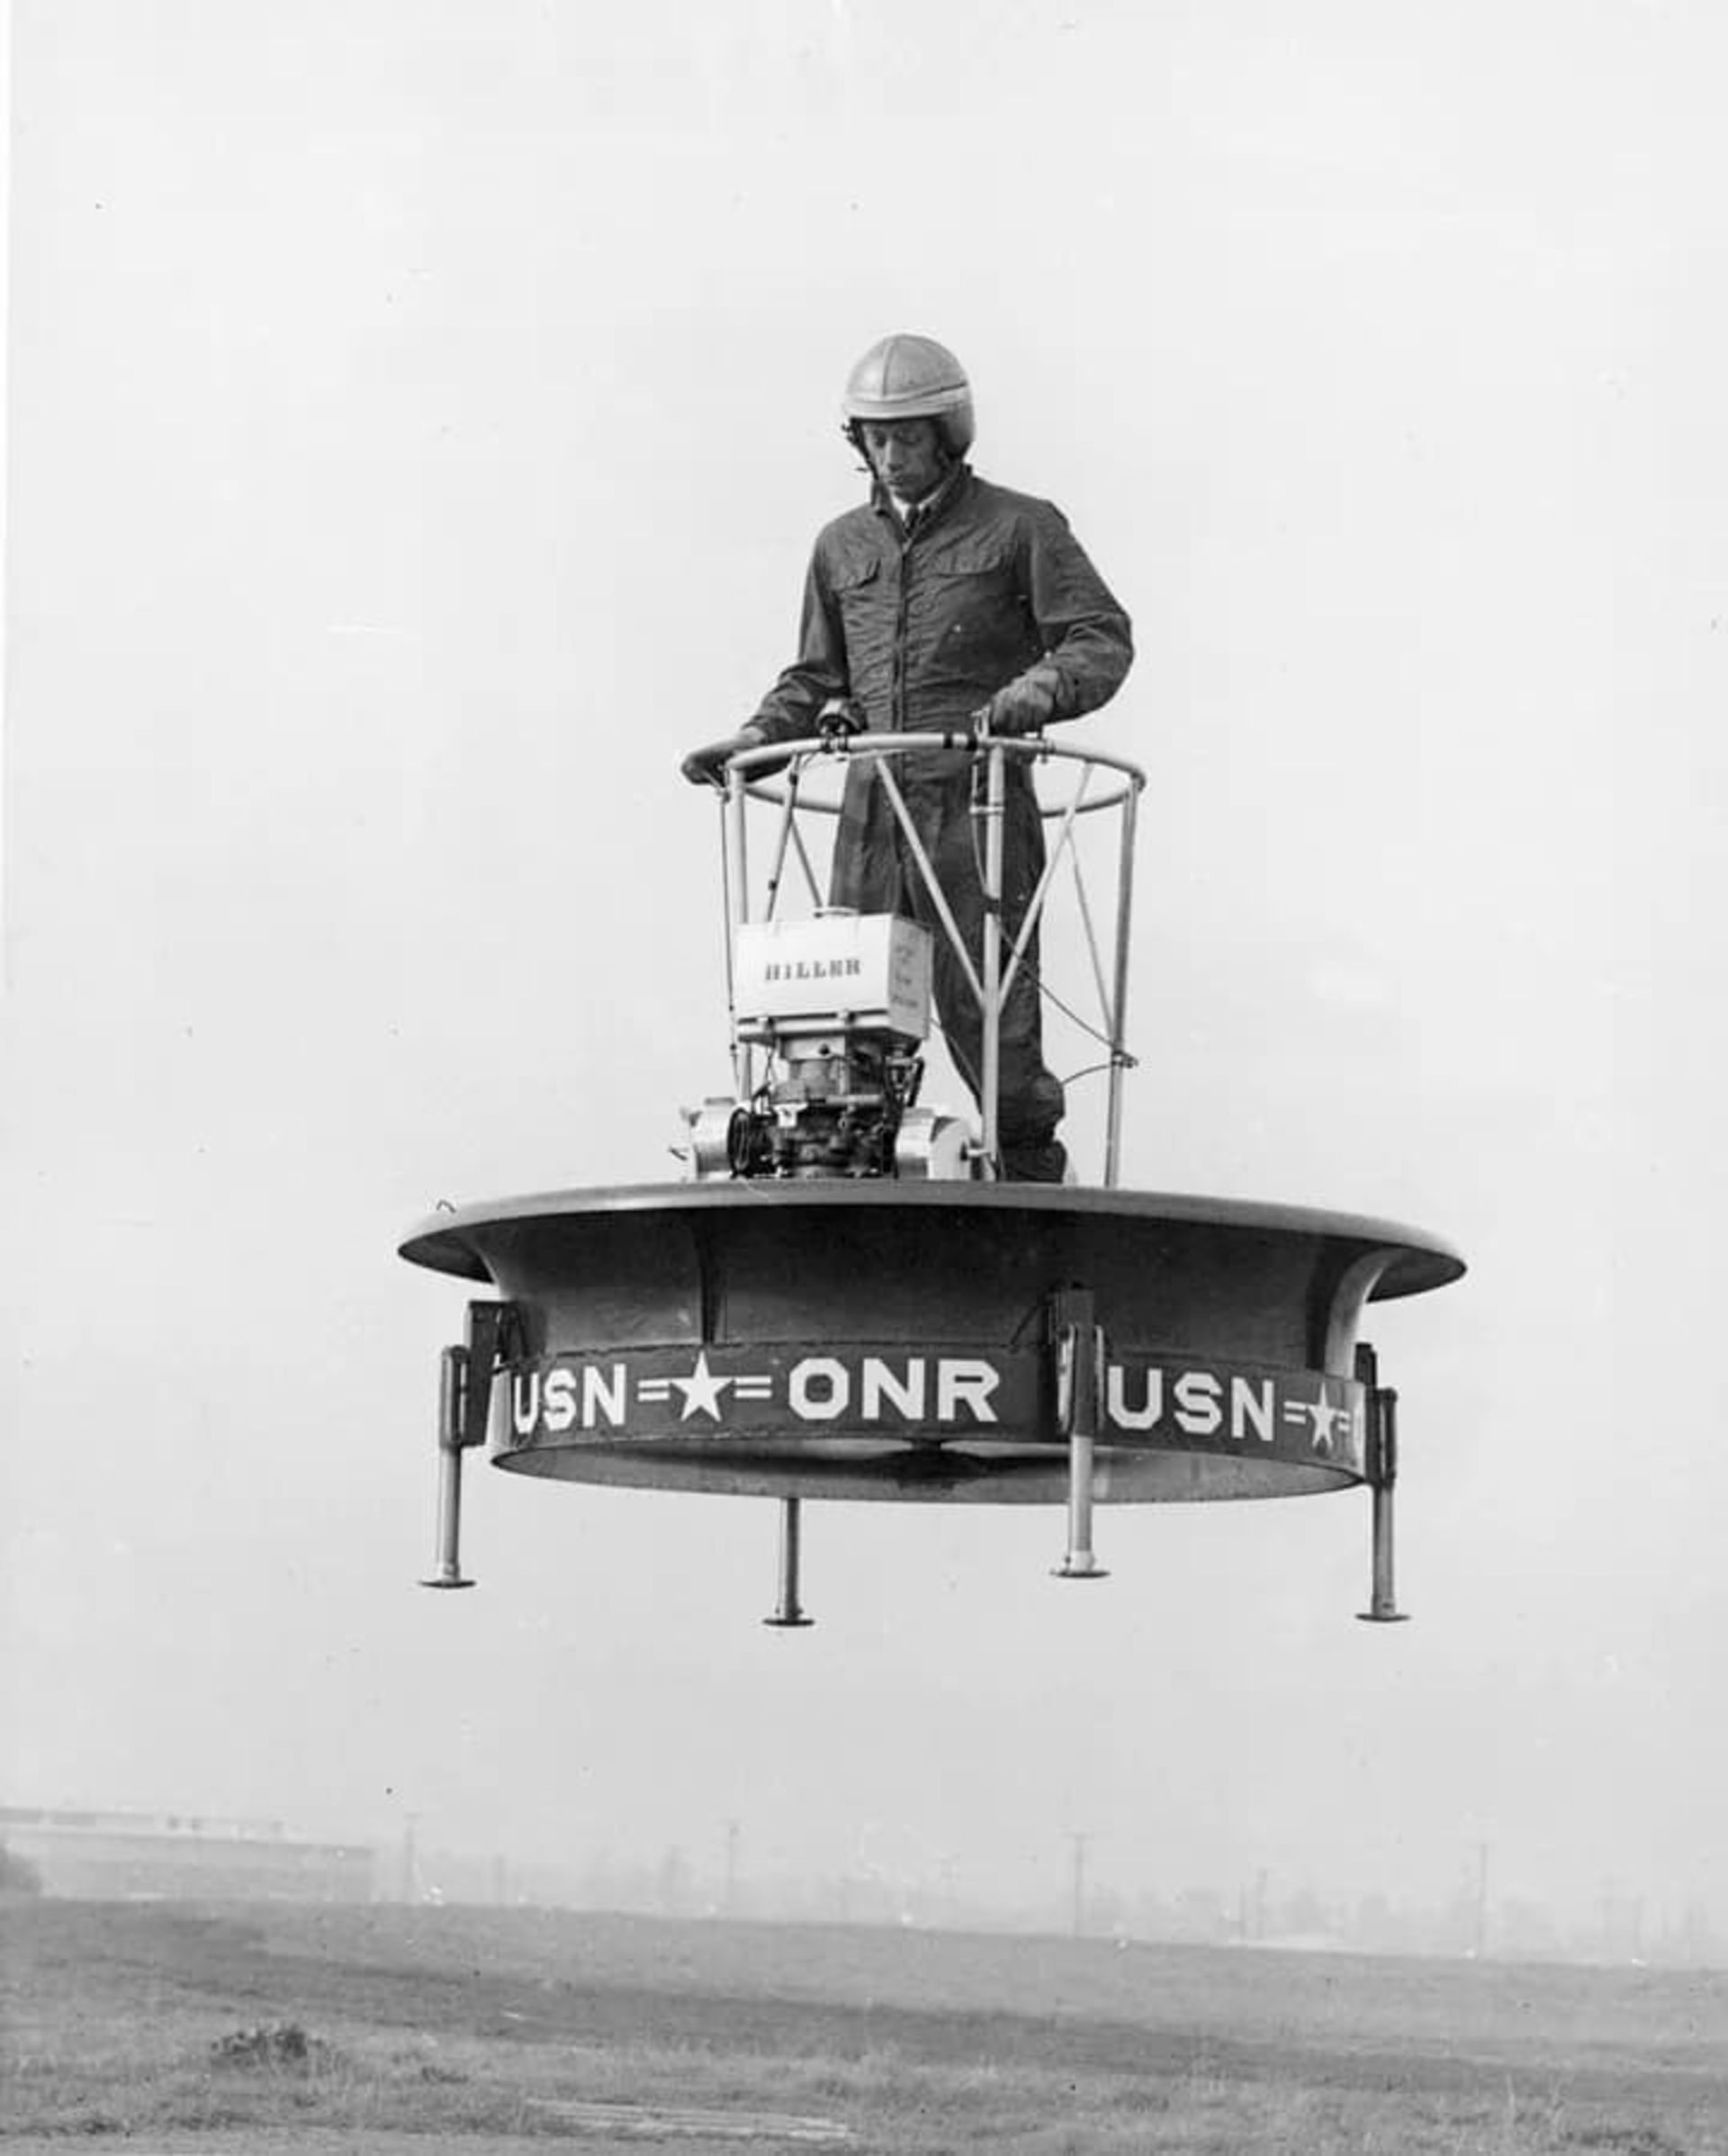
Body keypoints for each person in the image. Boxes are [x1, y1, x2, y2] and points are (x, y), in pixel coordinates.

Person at [681, 333, 1132, 1182]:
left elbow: (1100, 637)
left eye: (908, 438)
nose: (891, 456)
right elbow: (816, 678)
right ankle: (840, 1187)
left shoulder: (1020, 526)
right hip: (869, 813)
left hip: (975, 804)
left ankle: (1033, 1192)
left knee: (992, 1016)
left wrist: (1038, 690)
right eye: (876, 439)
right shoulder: (841, 547)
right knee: (838, 1011)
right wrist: (755, 742)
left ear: (948, 434)